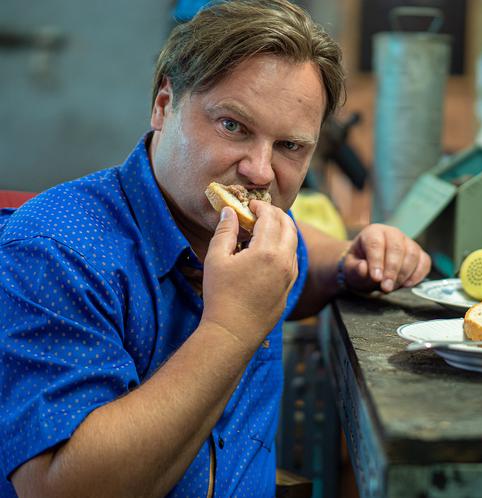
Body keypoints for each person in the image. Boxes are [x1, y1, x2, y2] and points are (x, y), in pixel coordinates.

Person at [0, 1, 431, 496]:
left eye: (290, 146)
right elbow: (61, 488)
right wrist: (232, 327)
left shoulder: (251, 240)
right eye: (233, 126)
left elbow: (304, 256)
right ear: (164, 104)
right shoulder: (55, 249)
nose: (261, 172)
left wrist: (354, 256)